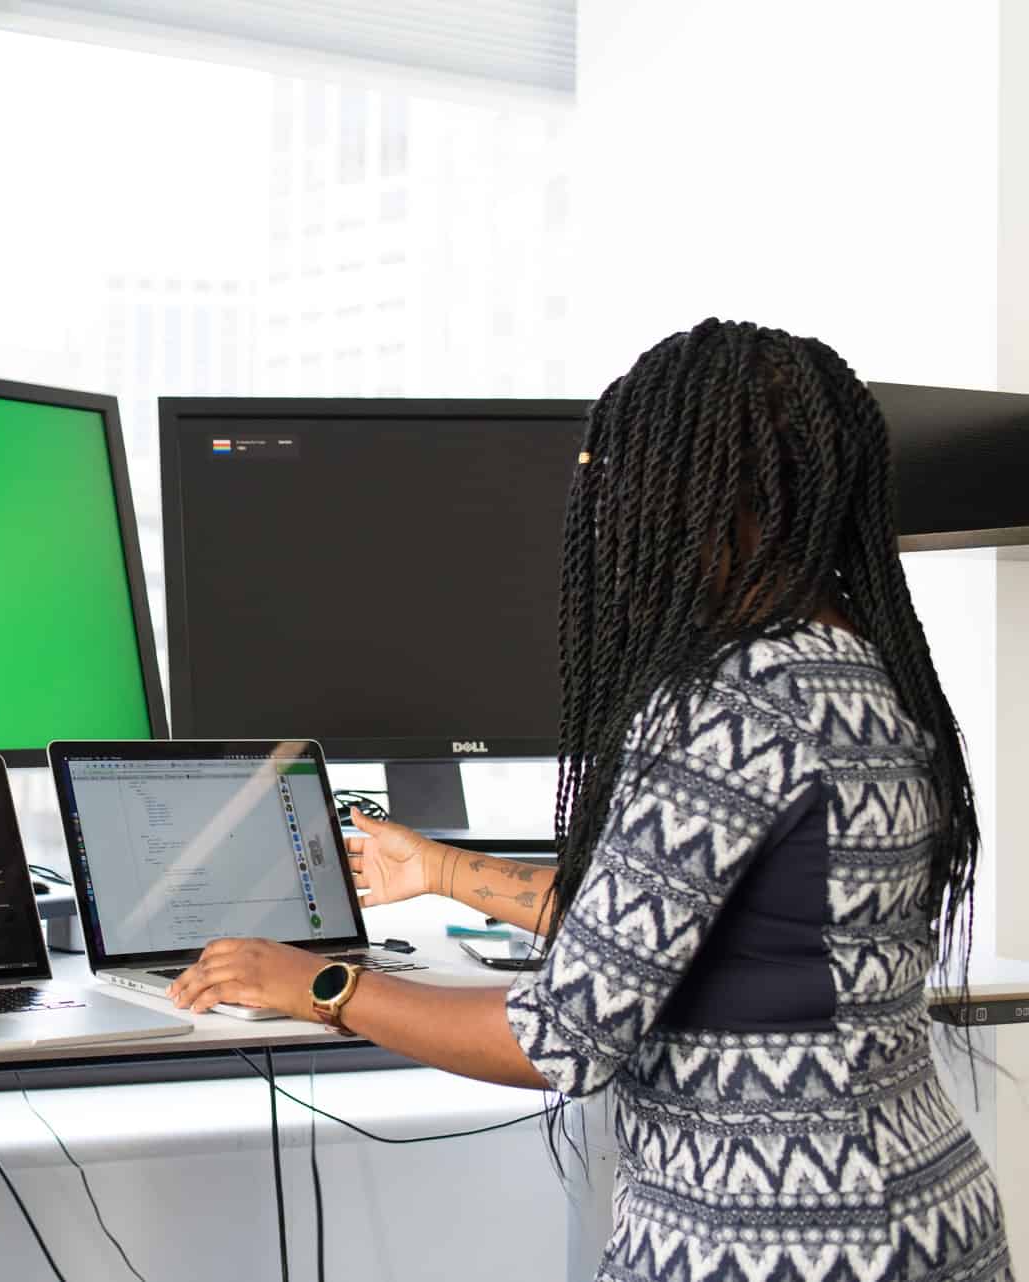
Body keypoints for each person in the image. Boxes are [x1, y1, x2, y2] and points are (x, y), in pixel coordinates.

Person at [168, 319, 1014, 1281]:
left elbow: (560, 1039)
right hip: (928, 1219)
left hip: (773, 1241)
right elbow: (702, 928)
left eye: (623, 475)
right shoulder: (868, 670)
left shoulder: (726, 702)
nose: (609, 506)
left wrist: (325, 987)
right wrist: (445, 871)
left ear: (696, 494)